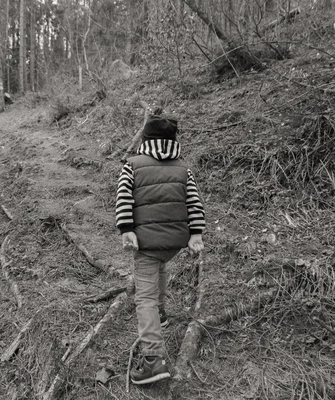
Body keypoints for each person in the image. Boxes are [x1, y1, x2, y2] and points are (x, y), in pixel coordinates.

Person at [115, 114, 206, 385]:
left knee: (144, 297)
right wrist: (196, 234)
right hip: (174, 242)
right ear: (173, 141)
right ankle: (162, 312)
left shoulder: (132, 165)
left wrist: (126, 228)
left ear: (145, 139)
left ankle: (153, 359)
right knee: (161, 266)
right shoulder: (183, 169)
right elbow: (194, 202)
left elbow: (123, 197)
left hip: (146, 242)